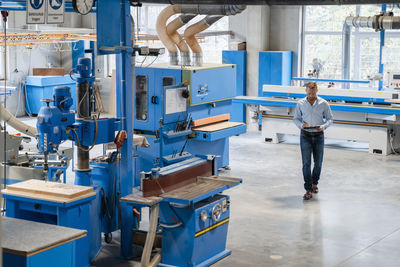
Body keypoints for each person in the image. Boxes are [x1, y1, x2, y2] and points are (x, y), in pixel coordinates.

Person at [293, 82, 333, 200]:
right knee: (306, 163)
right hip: (305, 136)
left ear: (317, 91)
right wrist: (301, 125)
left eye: (313, 93)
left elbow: (330, 119)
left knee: (318, 163)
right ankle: (308, 189)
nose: (311, 95)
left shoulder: (323, 103)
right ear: (306, 91)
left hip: (319, 136)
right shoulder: (300, 103)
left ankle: (315, 183)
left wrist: (323, 126)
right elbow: (296, 119)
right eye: (309, 93)